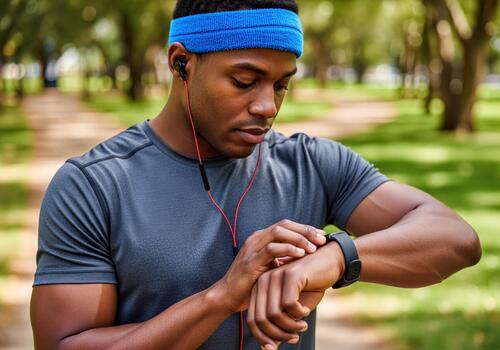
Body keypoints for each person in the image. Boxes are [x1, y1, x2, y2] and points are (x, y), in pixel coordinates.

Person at [30, 1, 481, 349]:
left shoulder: (313, 164)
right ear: (181, 62)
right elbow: (63, 344)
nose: (267, 105)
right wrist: (222, 298)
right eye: (246, 81)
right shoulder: (92, 186)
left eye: (282, 83)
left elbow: (455, 239)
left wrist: (335, 258)